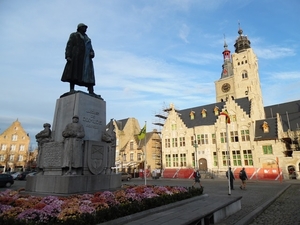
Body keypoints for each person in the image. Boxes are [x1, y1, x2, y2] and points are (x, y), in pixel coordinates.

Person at [61, 23, 96, 95]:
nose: (85, 29)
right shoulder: (74, 35)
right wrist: (68, 56)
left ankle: (91, 91)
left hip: (86, 60)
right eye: (84, 27)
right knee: (73, 73)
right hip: (76, 57)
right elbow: (69, 46)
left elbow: (91, 49)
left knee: (89, 76)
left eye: (86, 27)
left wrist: (92, 53)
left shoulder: (88, 39)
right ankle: (72, 89)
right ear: (79, 28)